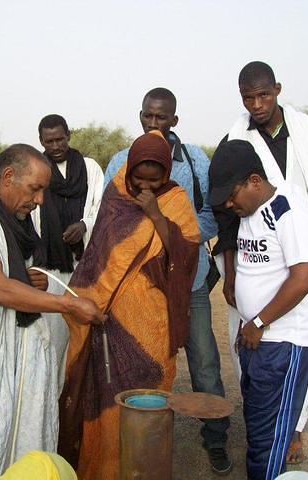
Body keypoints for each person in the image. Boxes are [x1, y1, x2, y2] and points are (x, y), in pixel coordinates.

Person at [0, 144, 106, 480]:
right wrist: (68, 304)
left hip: (9, 361)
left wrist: (29, 279)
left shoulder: (14, 222)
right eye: (35, 189)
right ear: (8, 176)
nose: (40, 200)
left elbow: (10, 278)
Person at [103, 87, 232, 474]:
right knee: (140, 364)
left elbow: (211, 211)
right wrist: (143, 248)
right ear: (139, 115)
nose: (154, 124)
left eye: (162, 118)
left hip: (187, 282)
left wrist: (180, 240)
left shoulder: (193, 160)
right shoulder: (121, 162)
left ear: (174, 120)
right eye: (148, 117)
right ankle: (138, 440)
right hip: (137, 287)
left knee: (204, 361)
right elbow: (109, 221)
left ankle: (216, 438)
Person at [217, 61, 308, 463]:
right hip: (255, 256)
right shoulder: (235, 140)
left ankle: (292, 429)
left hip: (299, 254)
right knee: (254, 365)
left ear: (278, 90)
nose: (256, 104)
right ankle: (269, 431)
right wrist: (231, 270)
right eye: (248, 97)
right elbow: (226, 213)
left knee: (295, 359)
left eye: (263, 95)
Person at [59, 130, 201, 480]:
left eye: (156, 181)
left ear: (166, 174)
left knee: (147, 395)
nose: (146, 187)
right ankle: (102, 470)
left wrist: (155, 214)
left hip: (152, 321)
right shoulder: (116, 192)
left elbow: (184, 258)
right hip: (107, 317)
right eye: (140, 179)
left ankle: (142, 468)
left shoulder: (175, 200)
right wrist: (90, 303)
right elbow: (99, 256)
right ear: (130, 169)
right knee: (105, 400)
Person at [209, 139, 308, 480]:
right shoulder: (251, 210)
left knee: (269, 440)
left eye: (232, 195)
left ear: (255, 181)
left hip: (284, 342)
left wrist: (258, 321)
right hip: (256, 339)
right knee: (258, 429)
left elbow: (303, 278)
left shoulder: (289, 210)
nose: (229, 204)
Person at [32, 113, 104, 292]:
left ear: (68, 136)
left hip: (86, 258)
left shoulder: (90, 168)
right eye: (49, 142)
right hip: (50, 265)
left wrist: (84, 225)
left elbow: (103, 207)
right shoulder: (35, 171)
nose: (56, 146)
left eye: (60, 139)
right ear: (41, 141)